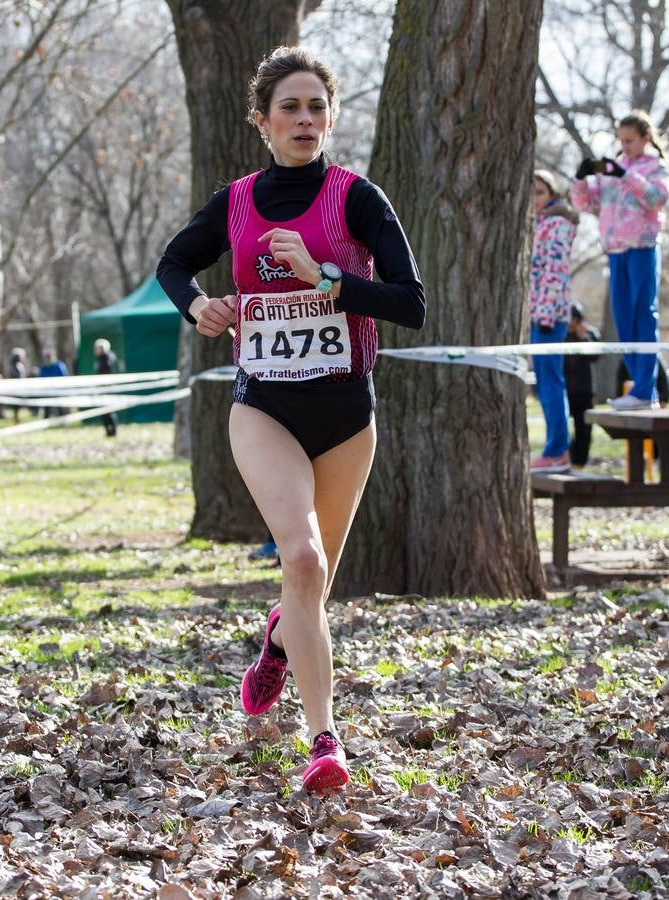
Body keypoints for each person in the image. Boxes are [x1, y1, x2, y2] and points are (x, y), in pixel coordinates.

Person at [156, 47, 425, 795]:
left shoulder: (355, 198)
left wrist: (328, 278)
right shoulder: (236, 201)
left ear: (329, 116)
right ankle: (323, 742)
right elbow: (173, 265)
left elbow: (410, 302)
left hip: (345, 413)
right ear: (262, 122)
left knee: (312, 585)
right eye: (290, 108)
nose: (305, 120)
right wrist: (198, 305)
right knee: (301, 562)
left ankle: (279, 634)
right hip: (264, 406)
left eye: (316, 107)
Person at [571, 110, 669, 410]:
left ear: (645, 138)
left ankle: (646, 388)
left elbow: (657, 198)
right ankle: (638, 387)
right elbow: (586, 203)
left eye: (630, 140)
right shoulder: (611, 171)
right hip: (615, 250)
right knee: (623, 318)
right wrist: (581, 179)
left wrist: (626, 176)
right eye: (621, 140)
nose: (625, 146)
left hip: (642, 247)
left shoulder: (657, 167)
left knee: (644, 315)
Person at [529, 169, 578, 474]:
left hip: (550, 316)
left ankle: (558, 450)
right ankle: (555, 448)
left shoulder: (557, 224)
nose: (535, 199)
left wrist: (545, 314)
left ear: (552, 193)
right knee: (545, 385)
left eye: (540, 192)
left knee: (551, 384)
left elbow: (555, 272)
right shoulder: (540, 223)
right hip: (538, 314)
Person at [564, 302, 601, 469]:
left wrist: (583, 338)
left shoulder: (590, 333)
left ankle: (580, 462)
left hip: (584, 390)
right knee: (563, 427)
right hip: (565, 389)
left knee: (584, 430)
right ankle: (565, 457)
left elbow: (594, 357)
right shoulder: (560, 335)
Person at [93, 338, 119, 437]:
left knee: (109, 410)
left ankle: (113, 431)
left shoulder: (108, 358)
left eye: (98, 348)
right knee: (104, 411)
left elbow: (107, 372)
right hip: (101, 388)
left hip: (108, 388)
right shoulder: (100, 360)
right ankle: (108, 431)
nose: (95, 350)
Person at [38, 348, 69, 418]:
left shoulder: (59, 366)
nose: (48, 358)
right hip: (47, 391)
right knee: (47, 408)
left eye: (49, 356)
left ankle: (62, 421)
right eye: (47, 356)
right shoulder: (43, 367)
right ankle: (46, 422)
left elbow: (64, 377)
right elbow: (41, 378)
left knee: (60, 407)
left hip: (58, 390)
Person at [8, 347, 30, 423]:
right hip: (17, 389)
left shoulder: (14, 366)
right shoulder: (18, 366)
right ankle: (16, 420)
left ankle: (16, 420)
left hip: (16, 389)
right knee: (16, 406)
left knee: (16, 407)